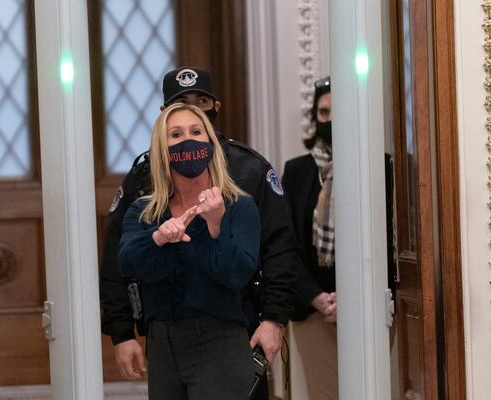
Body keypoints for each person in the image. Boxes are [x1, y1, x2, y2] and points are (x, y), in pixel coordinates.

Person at [100, 66, 299, 399]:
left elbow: (279, 247)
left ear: (214, 109)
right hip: (163, 336)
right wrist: (121, 331)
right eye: (181, 106)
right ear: (163, 117)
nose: (192, 115)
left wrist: (274, 318)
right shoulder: (143, 183)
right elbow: (117, 259)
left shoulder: (248, 171)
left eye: (201, 103)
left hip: (236, 326)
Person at [118, 103, 259, 398]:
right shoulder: (144, 211)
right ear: (162, 148)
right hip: (162, 345)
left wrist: (216, 226)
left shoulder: (238, 206)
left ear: (210, 141)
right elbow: (128, 263)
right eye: (176, 134)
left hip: (219, 342)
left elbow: (236, 275)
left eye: (196, 132)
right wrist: (158, 238)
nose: (188, 141)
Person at [282, 76, 339, 399]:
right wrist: (318, 298)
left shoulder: (379, 165)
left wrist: (352, 296)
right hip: (313, 310)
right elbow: (286, 245)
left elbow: (385, 243)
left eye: (336, 111)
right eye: (323, 112)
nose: (329, 120)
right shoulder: (298, 171)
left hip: (364, 308)